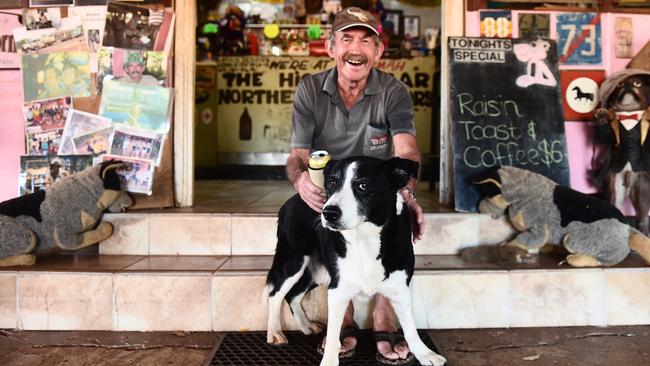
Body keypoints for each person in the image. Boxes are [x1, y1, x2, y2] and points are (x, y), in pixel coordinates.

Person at [286, 6, 424, 365]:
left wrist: (407, 194)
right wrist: (302, 180)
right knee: (328, 216)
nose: (356, 49)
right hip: (330, 185)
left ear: (378, 52)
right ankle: (342, 313)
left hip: (375, 186)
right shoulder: (310, 89)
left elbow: (406, 148)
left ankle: (384, 313)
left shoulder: (393, 91)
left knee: (398, 216)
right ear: (331, 47)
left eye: (366, 41)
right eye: (347, 39)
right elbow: (297, 156)